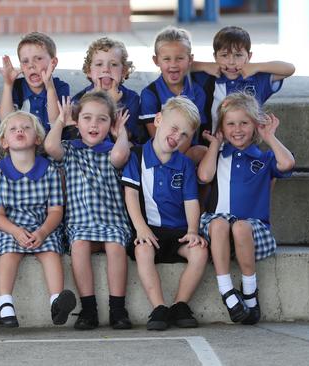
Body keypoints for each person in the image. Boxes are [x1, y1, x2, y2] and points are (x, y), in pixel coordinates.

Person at [197, 92, 294, 325]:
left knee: (240, 227)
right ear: (221, 127)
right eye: (230, 124)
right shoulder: (219, 155)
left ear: (255, 125)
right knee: (219, 223)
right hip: (217, 234)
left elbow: (288, 163)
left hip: (252, 231)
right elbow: (204, 175)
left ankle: (250, 292)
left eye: (244, 123)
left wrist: (269, 137)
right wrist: (215, 144)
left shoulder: (263, 158)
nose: (237, 129)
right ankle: (227, 291)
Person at [44, 92, 131, 330]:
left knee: (115, 247)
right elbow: (49, 146)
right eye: (87, 118)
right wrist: (61, 120)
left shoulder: (111, 151)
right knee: (79, 246)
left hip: (112, 222)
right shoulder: (70, 150)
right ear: (77, 121)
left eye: (102, 119)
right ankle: (88, 308)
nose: (94, 124)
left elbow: (121, 155)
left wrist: (121, 132)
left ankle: (117, 308)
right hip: (81, 223)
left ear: (110, 124)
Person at [121, 97, 208, 331]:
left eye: (184, 135)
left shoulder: (185, 164)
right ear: (158, 120)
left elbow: (191, 201)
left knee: (199, 252)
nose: (177, 137)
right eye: (174, 128)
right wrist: (140, 228)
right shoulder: (137, 157)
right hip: (150, 231)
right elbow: (130, 196)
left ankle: (180, 304)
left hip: (179, 232)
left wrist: (192, 231)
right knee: (142, 250)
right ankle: (159, 307)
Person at [0, 111, 76, 328]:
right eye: (13, 128)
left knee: (50, 253)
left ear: (37, 139)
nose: (20, 130)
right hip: (9, 226)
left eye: (26, 128)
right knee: (9, 253)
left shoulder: (50, 171)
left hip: (43, 225)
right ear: (4, 141)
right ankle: (5, 303)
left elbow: (56, 211)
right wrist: (16, 231)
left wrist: (42, 232)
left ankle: (56, 301)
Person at [192, 26, 295, 133]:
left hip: (247, 146)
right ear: (215, 57)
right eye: (224, 55)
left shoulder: (257, 79)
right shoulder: (208, 77)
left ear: (249, 56)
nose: (231, 62)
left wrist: (256, 66)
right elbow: (181, 66)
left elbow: (289, 69)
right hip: (212, 145)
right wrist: (204, 66)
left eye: (238, 55)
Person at [139, 26, 209, 163]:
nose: (173, 65)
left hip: (185, 150)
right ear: (156, 60)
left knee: (203, 152)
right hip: (158, 152)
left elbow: (190, 133)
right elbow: (157, 138)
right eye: (166, 59)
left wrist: (176, 162)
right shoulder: (150, 94)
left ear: (190, 59)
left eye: (179, 58)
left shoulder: (197, 92)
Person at [72, 37, 143, 144]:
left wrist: (113, 105)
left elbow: (128, 136)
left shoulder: (132, 98)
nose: (106, 69)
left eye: (113, 64)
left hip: (117, 149)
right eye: (99, 64)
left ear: (123, 71)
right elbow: (76, 135)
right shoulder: (80, 99)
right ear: (89, 71)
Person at [0, 32, 69, 134]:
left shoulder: (60, 87)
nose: (31, 65)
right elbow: (6, 121)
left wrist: (50, 88)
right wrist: (8, 84)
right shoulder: (17, 87)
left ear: (54, 62)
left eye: (38, 59)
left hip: (50, 144)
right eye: (25, 61)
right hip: (23, 145)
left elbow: (56, 123)